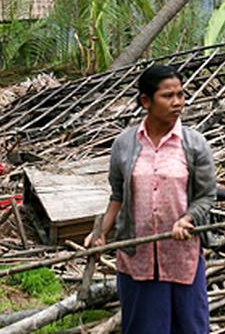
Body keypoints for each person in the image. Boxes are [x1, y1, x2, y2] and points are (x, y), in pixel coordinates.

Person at [85, 64, 216, 334]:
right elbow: (118, 196)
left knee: (190, 327)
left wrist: (187, 219)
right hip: (137, 258)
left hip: (182, 257)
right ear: (146, 100)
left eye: (181, 94)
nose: (178, 102)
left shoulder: (194, 144)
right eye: (168, 96)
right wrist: (101, 234)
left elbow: (206, 196)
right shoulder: (124, 144)